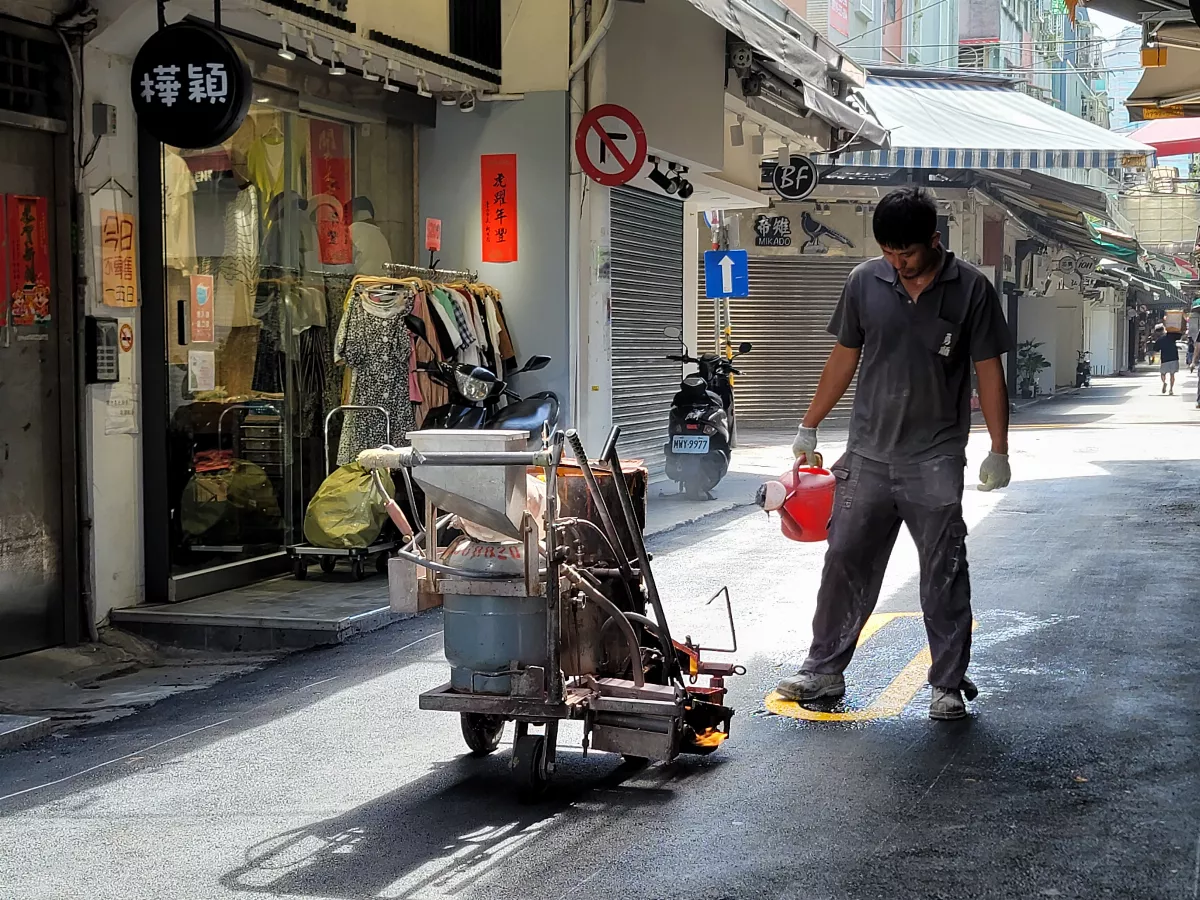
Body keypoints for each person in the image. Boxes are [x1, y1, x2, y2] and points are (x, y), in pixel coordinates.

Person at [777, 187, 1013, 721]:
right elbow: (843, 357)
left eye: (906, 252)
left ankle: (947, 684)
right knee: (844, 561)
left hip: (935, 456)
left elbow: (988, 372)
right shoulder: (864, 281)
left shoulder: (971, 289)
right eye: (888, 252)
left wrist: (998, 449)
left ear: (934, 239)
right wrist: (809, 424)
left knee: (944, 570)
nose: (897, 263)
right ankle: (823, 671)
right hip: (867, 453)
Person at [1152, 324, 1179, 395]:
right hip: (1174, 358)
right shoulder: (1172, 336)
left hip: (1165, 359)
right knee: (1172, 374)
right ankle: (1171, 389)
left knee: (1163, 373)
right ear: (1163, 330)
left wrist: (1152, 358)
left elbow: (1155, 351)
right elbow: (1179, 334)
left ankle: (1164, 382)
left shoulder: (1159, 340)